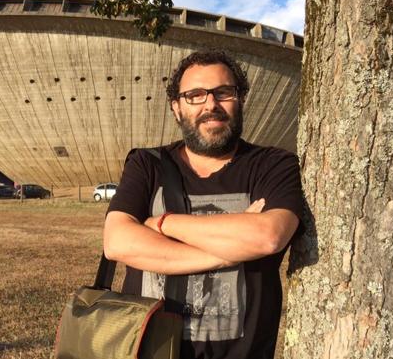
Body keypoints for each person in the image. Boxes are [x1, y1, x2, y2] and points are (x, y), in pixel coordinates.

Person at [104, 50, 303, 359]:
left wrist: (162, 224)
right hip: (147, 351)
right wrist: (231, 252)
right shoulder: (147, 164)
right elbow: (117, 242)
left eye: (223, 92)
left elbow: (268, 236)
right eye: (195, 95)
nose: (211, 104)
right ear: (177, 108)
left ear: (241, 100)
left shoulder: (274, 164)